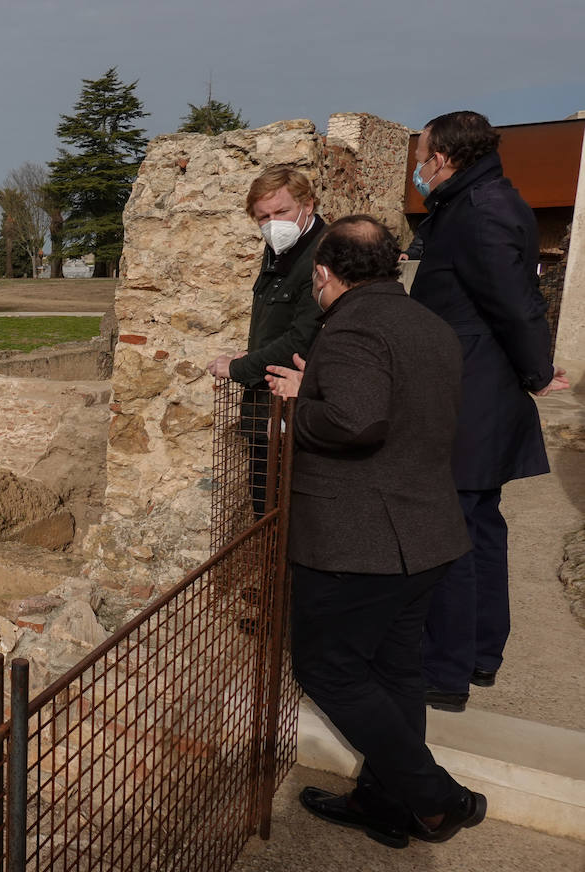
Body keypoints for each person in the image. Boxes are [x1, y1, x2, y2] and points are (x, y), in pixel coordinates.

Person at [266, 216, 485, 847]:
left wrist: (300, 405)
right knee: (395, 673)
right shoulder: (429, 324)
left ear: (324, 272)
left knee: (328, 670)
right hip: (425, 533)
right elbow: (400, 406)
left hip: (358, 542)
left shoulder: (352, 327)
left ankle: (437, 800)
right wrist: (321, 384)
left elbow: (355, 421)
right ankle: (386, 804)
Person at [407, 111, 570, 712]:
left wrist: (536, 371)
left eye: (422, 159)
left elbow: (515, 303)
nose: (418, 171)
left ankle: (444, 671)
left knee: (450, 533)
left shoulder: (482, 209)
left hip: (472, 391)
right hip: (473, 384)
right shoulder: (477, 200)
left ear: (444, 158)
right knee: (476, 527)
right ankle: (477, 654)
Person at [207, 167, 325, 516]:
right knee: (264, 506)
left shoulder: (322, 255)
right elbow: (277, 319)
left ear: (307, 205)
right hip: (265, 405)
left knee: (287, 514)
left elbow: (302, 338)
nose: (273, 224)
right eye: (263, 217)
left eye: (281, 212)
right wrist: (255, 351)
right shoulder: (279, 249)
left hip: (296, 407)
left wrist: (239, 367)